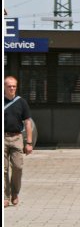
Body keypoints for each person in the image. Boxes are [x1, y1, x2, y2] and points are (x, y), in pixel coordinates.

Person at [4, 76, 34, 207]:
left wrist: (29, 143)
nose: (11, 88)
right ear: (4, 87)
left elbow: (27, 123)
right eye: (9, 86)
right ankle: (5, 196)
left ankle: (15, 193)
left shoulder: (21, 102)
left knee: (18, 167)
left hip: (17, 138)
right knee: (3, 169)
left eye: (14, 86)